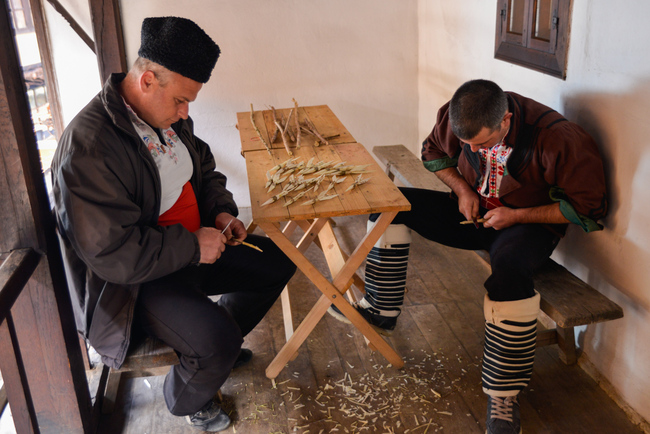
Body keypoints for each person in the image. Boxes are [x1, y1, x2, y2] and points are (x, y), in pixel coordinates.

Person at [52, 16, 296, 432]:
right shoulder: (90, 148)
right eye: (182, 100)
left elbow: (202, 166)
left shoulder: (167, 118)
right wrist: (191, 246)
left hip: (192, 247)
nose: (186, 112)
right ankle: (187, 398)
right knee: (216, 340)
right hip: (134, 284)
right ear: (147, 81)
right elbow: (113, 254)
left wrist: (219, 210)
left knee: (280, 262)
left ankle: (215, 345)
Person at [329, 79, 607, 433]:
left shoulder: (559, 139)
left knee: (508, 274)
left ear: (505, 120)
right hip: (474, 211)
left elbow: (588, 209)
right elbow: (433, 154)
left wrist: (517, 216)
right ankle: (381, 309)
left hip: (525, 224)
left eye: (482, 143)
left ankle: (504, 395)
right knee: (392, 206)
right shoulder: (456, 116)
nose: (472, 149)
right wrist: (462, 188)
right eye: (466, 144)